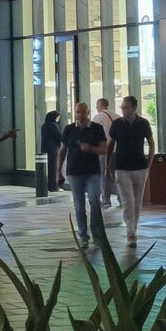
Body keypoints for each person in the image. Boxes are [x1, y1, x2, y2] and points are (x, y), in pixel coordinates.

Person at [107, 95, 155, 249]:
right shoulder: (117, 124)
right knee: (128, 201)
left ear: (134, 108)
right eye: (122, 107)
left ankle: (133, 229)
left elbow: (151, 143)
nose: (123, 110)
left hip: (140, 167)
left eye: (126, 107)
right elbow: (110, 144)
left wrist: (149, 162)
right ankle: (131, 234)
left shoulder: (143, 123)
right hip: (121, 167)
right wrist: (108, 165)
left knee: (137, 203)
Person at [58, 102, 106, 249]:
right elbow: (62, 150)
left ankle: (96, 235)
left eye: (83, 112)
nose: (80, 115)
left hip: (92, 172)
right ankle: (83, 236)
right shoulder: (69, 129)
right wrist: (58, 171)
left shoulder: (97, 128)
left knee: (94, 201)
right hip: (74, 172)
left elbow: (104, 149)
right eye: (77, 112)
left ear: (88, 112)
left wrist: (90, 148)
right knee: (79, 206)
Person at [92, 98, 121, 207]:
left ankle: (106, 199)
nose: (96, 107)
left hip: (104, 150)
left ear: (101, 105)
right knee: (116, 174)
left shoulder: (98, 117)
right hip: (117, 150)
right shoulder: (117, 116)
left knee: (104, 174)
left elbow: (93, 134)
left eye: (97, 105)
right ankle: (121, 198)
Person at [41, 111, 62, 192]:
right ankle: (53, 187)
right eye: (58, 117)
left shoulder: (44, 126)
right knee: (53, 168)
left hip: (45, 149)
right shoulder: (53, 125)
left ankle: (48, 186)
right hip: (53, 149)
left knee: (48, 168)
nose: (58, 119)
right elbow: (59, 137)